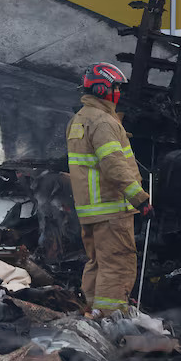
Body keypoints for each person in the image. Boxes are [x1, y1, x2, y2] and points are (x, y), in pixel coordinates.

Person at [67, 62, 152, 315]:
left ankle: (93, 311)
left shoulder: (79, 119)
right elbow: (114, 166)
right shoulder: (104, 122)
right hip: (112, 207)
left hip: (91, 209)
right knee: (117, 263)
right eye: (115, 87)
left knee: (97, 263)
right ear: (102, 88)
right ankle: (111, 319)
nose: (118, 92)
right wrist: (140, 199)